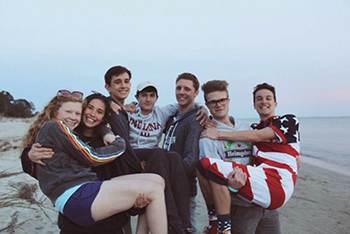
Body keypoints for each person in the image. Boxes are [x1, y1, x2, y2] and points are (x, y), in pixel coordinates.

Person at [21, 90, 167, 234]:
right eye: (89, 109)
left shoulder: (81, 134)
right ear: (54, 112)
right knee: (154, 191)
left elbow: (122, 177)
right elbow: (92, 157)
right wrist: (119, 143)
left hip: (93, 196)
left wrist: (136, 205)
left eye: (77, 113)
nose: (74, 117)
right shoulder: (58, 129)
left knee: (157, 181)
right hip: (76, 198)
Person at [104, 66, 207, 234]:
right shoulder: (128, 111)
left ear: (157, 98)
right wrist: (109, 102)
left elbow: (190, 103)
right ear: (136, 97)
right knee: (159, 152)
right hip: (133, 156)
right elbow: (101, 104)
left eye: (152, 95)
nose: (148, 99)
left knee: (173, 157)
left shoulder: (163, 112)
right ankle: (173, 219)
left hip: (152, 159)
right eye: (143, 95)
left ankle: (185, 224)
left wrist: (204, 109)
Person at [197, 83, 300, 234]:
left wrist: (294, 157)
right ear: (208, 105)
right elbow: (213, 179)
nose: (219, 105)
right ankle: (219, 226)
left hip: (265, 205)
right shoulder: (207, 137)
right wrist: (232, 188)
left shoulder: (248, 128)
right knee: (205, 165)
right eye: (213, 102)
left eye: (222, 100)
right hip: (240, 207)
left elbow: (264, 142)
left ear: (229, 101)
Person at [161, 72, 204, 233]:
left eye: (187, 89)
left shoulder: (195, 120)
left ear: (196, 93)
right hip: (167, 187)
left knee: (187, 229)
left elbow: (191, 159)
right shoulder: (172, 118)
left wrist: (164, 172)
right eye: (179, 88)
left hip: (184, 190)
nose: (181, 92)